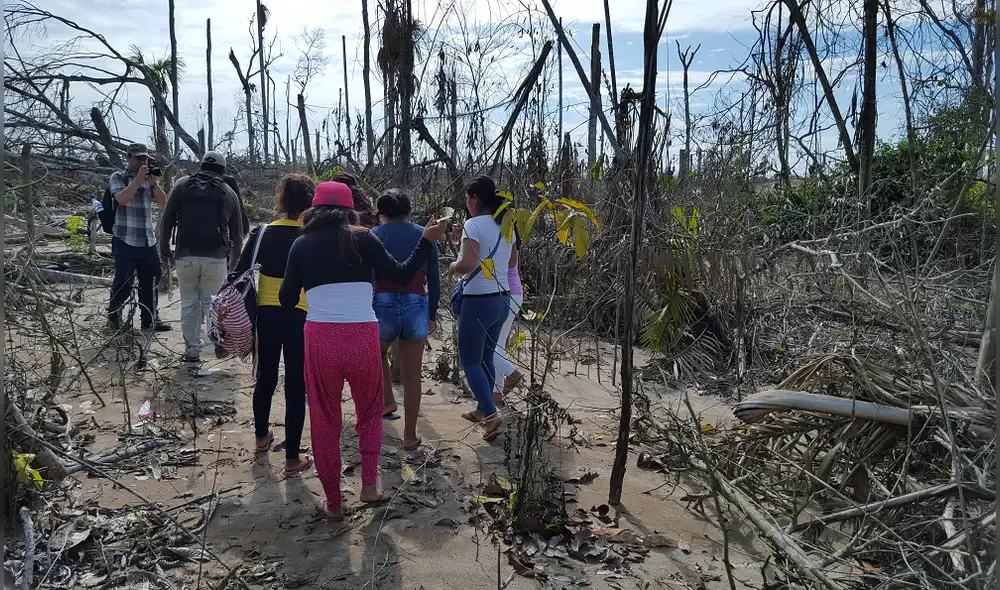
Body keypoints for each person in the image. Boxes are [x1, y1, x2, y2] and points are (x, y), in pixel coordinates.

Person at [278, 181, 446, 520]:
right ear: (349, 210)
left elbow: (285, 298)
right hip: (362, 335)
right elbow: (400, 277)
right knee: (369, 411)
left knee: (325, 419)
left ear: (314, 211)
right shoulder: (364, 238)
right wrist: (425, 243)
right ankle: (369, 486)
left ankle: (334, 501)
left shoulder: (301, 245)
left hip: (320, 336)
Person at [233, 173, 314, 477]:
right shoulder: (311, 234)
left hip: (266, 314)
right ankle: (293, 459)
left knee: (265, 378)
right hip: (302, 314)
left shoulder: (263, 232)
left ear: (281, 200)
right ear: (310, 201)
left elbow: (238, 272)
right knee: (296, 386)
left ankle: (260, 438)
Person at [159, 151, 245, 363]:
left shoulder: (182, 185)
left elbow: (166, 219)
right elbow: (238, 234)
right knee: (212, 303)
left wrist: (164, 249)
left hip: (185, 255)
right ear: (223, 171)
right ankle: (217, 342)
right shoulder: (227, 191)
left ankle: (191, 352)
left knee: (189, 303)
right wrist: (233, 266)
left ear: (201, 166)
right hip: (215, 259)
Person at [371, 189, 441, 450]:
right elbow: (434, 279)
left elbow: (368, 278)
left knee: (378, 354)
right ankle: (410, 435)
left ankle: (387, 400)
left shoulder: (373, 235)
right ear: (409, 211)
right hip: (415, 304)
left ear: (381, 215)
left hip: (383, 304)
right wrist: (432, 313)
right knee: (413, 375)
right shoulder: (424, 234)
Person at [449, 176, 513, 442]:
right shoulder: (507, 223)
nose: (467, 205)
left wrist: (452, 267)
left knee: (471, 361)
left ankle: (490, 414)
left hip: (479, 301)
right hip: (502, 299)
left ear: (474, 199)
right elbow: (511, 262)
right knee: (486, 357)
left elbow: (466, 265)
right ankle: (483, 408)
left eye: (467, 200)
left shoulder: (473, 224)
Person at [107, 143, 171, 332]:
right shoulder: (118, 176)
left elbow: (163, 201)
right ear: (128, 158)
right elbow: (122, 199)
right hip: (125, 238)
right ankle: (115, 316)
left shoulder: (147, 180)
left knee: (151, 281)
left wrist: (153, 183)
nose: (142, 162)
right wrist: (136, 180)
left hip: (147, 240)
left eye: (145, 158)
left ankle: (149, 319)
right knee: (123, 282)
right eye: (138, 158)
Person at [491, 232, 524, 407]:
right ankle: (497, 394)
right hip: (513, 294)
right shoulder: (508, 233)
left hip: (505, 294)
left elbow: (509, 263)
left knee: (488, 347)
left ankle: (512, 374)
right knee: (498, 346)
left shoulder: (506, 233)